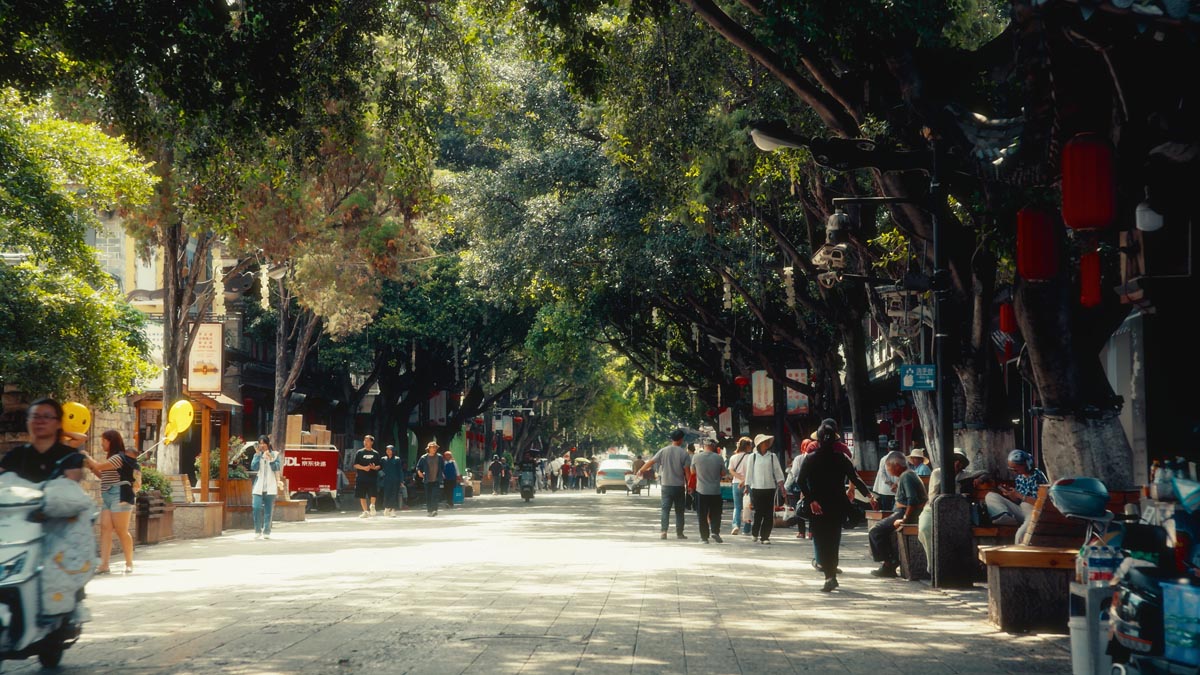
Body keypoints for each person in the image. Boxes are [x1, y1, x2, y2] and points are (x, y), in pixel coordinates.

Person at [796, 418, 877, 592]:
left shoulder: (810, 458)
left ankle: (829, 575)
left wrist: (811, 500)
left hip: (817, 507)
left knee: (821, 540)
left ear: (818, 439)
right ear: (835, 440)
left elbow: (800, 481)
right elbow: (855, 478)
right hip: (837, 505)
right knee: (833, 540)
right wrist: (869, 495)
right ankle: (831, 574)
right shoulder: (841, 458)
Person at [84, 429, 139, 574]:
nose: (101, 443)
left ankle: (129, 563)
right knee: (105, 529)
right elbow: (103, 476)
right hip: (108, 496)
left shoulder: (118, 457)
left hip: (120, 495)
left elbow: (99, 466)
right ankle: (104, 565)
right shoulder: (112, 459)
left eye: (104, 440)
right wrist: (91, 467)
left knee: (121, 530)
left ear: (111, 441)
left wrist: (86, 456)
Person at [869, 450, 928, 578]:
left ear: (896, 466)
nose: (888, 470)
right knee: (882, 529)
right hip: (902, 511)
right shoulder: (907, 475)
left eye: (888, 467)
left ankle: (889, 564)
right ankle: (889, 563)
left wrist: (905, 519)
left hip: (905, 513)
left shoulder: (907, 476)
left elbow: (912, 500)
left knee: (875, 531)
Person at [0, 398, 85, 483]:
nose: (40, 421)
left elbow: (70, 486)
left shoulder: (69, 456)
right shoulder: (15, 455)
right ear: (28, 422)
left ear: (59, 423)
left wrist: (61, 432)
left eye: (47, 416)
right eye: (35, 417)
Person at [637, 429, 692, 540]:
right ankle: (679, 533)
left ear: (672, 439)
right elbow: (687, 472)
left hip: (666, 485)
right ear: (681, 439)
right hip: (679, 486)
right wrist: (690, 486)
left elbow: (651, 462)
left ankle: (663, 531)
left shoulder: (663, 451)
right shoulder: (684, 454)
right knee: (679, 511)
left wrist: (641, 470)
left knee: (665, 509)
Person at [984, 449, 1048, 543]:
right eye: (1011, 469)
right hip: (1021, 509)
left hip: (1033, 512)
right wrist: (1011, 494)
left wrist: (1019, 495)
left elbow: (1041, 503)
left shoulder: (1037, 476)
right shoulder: (1019, 477)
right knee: (991, 496)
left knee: (1020, 535)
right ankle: (1005, 518)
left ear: (1025, 465)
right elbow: (1018, 501)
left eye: (1015, 469)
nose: (1014, 471)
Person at [743, 433, 785, 544]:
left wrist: (782, 486)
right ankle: (755, 533)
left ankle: (765, 537)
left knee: (768, 514)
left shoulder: (772, 456)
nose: (766, 444)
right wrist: (747, 486)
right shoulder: (753, 457)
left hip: (770, 488)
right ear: (759, 444)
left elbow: (778, 472)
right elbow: (749, 472)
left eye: (767, 442)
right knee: (758, 512)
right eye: (764, 442)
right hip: (756, 488)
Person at [692, 438, 729, 543]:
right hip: (715, 491)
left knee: (702, 515)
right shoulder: (719, 458)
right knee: (716, 513)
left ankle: (704, 537)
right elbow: (723, 473)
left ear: (704, 446)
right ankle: (715, 532)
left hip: (701, 490)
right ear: (713, 446)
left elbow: (692, 472)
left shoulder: (696, 457)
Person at [249, 435, 281, 540]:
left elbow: (277, 468)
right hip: (258, 486)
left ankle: (267, 531)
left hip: (270, 487)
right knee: (256, 507)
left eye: (264, 443)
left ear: (268, 444)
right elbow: (254, 467)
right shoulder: (258, 455)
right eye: (260, 443)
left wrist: (271, 459)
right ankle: (257, 530)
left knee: (268, 510)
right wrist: (257, 455)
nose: (262, 445)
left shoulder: (275, 454)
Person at [726, 437, 753, 535]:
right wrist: (744, 479)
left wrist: (739, 478)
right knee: (748, 507)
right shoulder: (751, 457)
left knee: (737, 507)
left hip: (736, 483)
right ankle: (746, 529)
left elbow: (731, 470)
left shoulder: (733, 457)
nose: (751, 447)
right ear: (747, 446)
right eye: (750, 445)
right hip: (748, 484)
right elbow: (752, 472)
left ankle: (736, 525)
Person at [352, 435, 382, 518]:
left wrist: (374, 467)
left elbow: (379, 465)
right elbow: (355, 465)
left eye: (368, 441)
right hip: (361, 477)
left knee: (373, 493)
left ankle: (372, 505)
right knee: (362, 495)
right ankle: (365, 511)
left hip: (372, 477)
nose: (365, 442)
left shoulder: (375, 453)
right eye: (364, 440)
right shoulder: (359, 452)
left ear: (372, 442)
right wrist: (364, 468)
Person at [415, 442, 445, 517]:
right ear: (429, 449)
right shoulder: (424, 457)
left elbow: (442, 466)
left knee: (435, 495)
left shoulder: (439, 457)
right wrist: (419, 472)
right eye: (432, 447)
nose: (434, 449)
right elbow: (418, 467)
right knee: (428, 496)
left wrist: (441, 474)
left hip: (436, 479)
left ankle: (434, 510)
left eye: (435, 447)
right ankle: (429, 510)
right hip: (427, 479)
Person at [871, 440, 900, 512]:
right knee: (897, 512)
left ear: (888, 449)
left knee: (885, 512)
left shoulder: (883, 459)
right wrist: (896, 484)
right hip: (898, 489)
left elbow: (882, 474)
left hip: (885, 489)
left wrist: (890, 484)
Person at [379, 445, 405, 516]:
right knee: (386, 494)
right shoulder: (383, 459)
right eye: (387, 449)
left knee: (394, 494)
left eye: (390, 450)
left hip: (395, 480)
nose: (388, 451)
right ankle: (387, 508)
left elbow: (400, 470)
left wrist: (401, 481)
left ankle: (393, 510)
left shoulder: (397, 459)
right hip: (386, 480)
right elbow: (379, 468)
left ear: (393, 451)